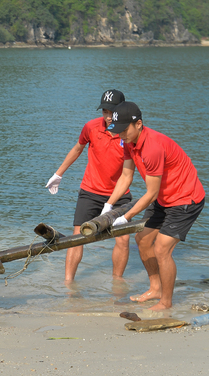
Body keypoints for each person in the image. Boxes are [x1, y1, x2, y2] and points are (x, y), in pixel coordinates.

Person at [105, 102, 205, 310]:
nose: (121, 135)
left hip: (186, 199)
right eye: (118, 130)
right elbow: (126, 175)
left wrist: (126, 217)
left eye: (124, 130)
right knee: (142, 239)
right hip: (164, 198)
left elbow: (150, 193)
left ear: (139, 124)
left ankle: (166, 302)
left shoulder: (152, 148)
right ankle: (155, 288)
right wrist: (109, 205)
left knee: (161, 249)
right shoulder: (129, 142)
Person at [45, 89, 132, 283]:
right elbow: (78, 148)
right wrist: (58, 174)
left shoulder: (129, 133)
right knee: (78, 237)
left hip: (119, 194)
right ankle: (68, 284)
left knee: (124, 239)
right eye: (105, 112)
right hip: (90, 191)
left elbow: (141, 163)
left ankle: (117, 284)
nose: (108, 117)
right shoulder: (91, 127)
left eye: (112, 112)